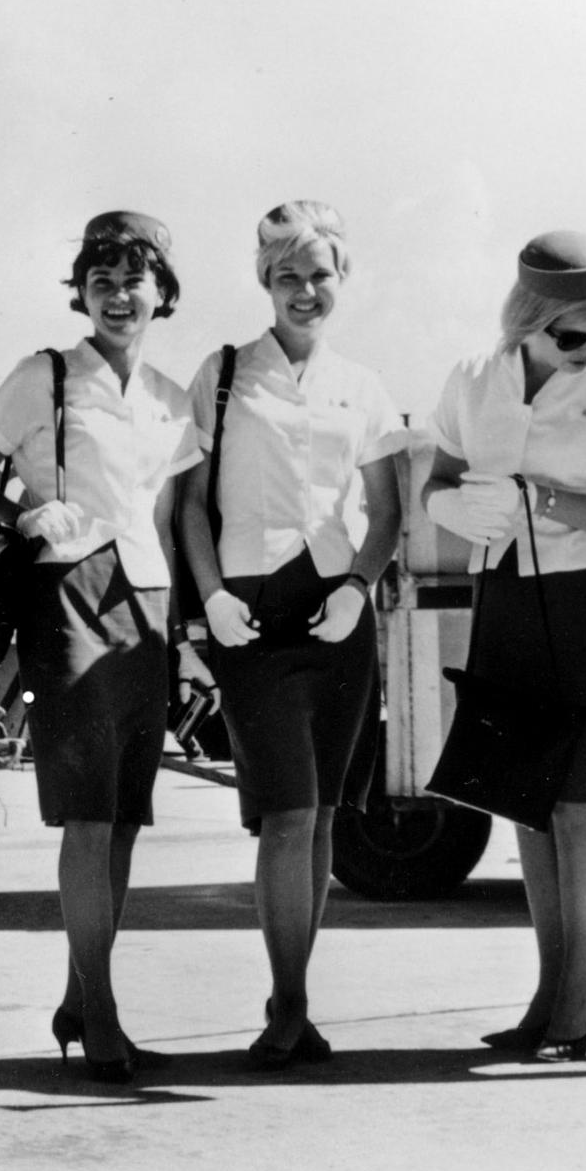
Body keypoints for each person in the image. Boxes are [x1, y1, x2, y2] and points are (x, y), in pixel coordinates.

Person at [0, 211, 201, 1084]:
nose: (118, 293)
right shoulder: (44, 376)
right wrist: (21, 514)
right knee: (88, 819)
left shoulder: (174, 398)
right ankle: (100, 1017)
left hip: (153, 608)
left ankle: (78, 995)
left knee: (126, 820)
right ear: (82, 292)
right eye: (101, 278)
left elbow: (179, 517)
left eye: (135, 278)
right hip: (70, 598)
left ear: (162, 293)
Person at [423, 231, 586, 1058]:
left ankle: (579, 997)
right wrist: (450, 508)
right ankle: (551, 992)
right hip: (505, 591)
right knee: (525, 801)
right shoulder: (472, 380)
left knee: (576, 799)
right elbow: (438, 482)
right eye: (573, 333)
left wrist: (549, 500)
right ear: (528, 318)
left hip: (583, 596)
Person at [179, 203, 406, 1067]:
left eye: (320, 275)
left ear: (341, 278)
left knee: (318, 819)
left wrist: (358, 587)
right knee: (284, 812)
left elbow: (384, 511)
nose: (305, 292)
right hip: (252, 609)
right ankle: (286, 1005)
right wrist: (210, 600)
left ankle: (296, 1002)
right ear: (264, 283)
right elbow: (191, 505)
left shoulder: (363, 383)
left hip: (335, 610)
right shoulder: (225, 373)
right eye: (288, 277)